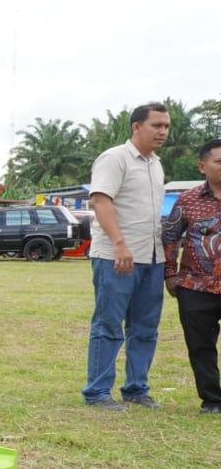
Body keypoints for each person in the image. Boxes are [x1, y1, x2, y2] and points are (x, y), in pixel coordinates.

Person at [83, 102, 170, 411]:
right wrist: (119, 243)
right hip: (115, 257)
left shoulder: (155, 164)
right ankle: (97, 392)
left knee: (145, 328)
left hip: (151, 257)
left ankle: (136, 388)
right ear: (136, 127)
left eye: (166, 126)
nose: (162, 132)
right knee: (108, 325)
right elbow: (100, 200)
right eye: (156, 125)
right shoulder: (114, 158)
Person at [164, 139, 221, 415]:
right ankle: (212, 399)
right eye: (219, 162)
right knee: (200, 346)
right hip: (195, 286)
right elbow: (170, 239)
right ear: (202, 166)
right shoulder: (187, 200)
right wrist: (169, 274)